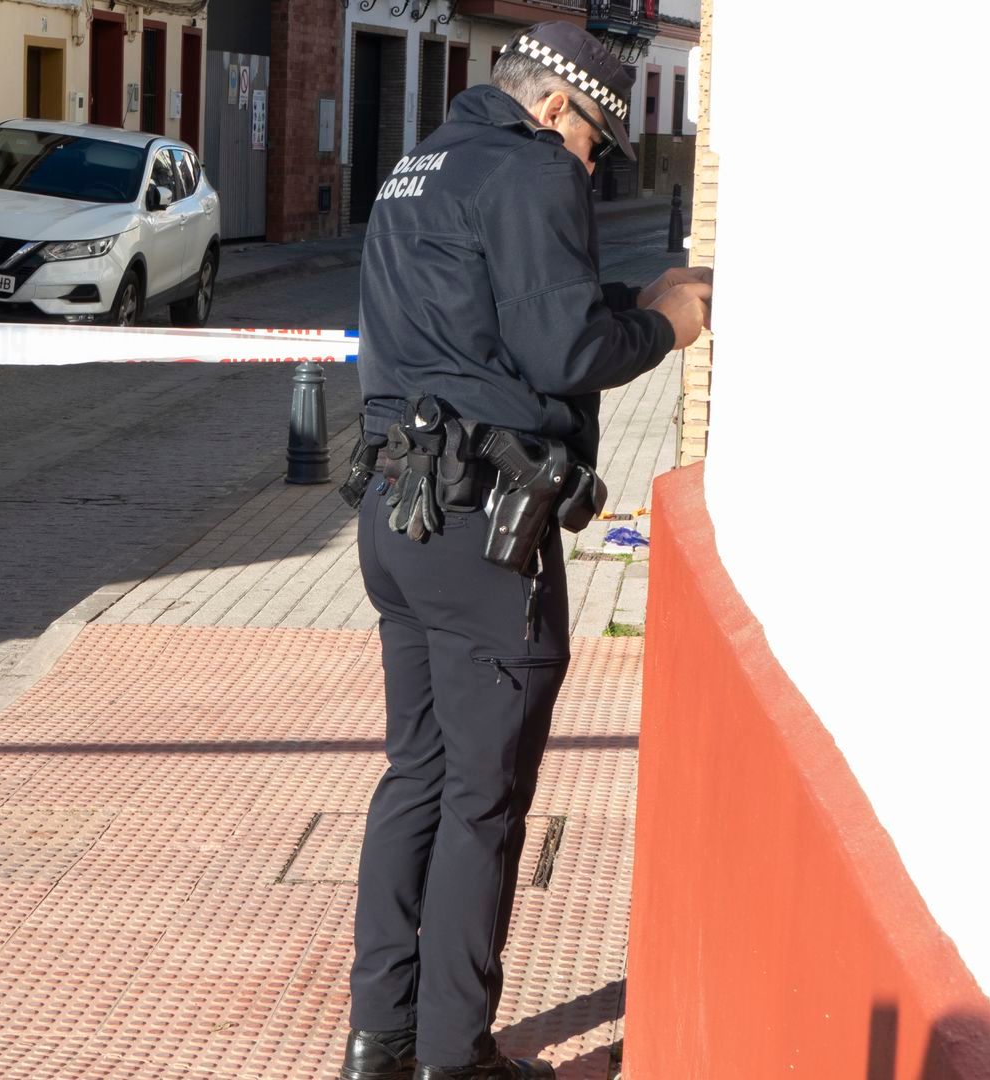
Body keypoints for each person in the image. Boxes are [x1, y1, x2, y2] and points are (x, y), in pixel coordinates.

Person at [339, 22, 712, 1080]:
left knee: (414, 776)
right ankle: (455, 1059)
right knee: (482, 800)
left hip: (397, 516)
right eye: (597, 138)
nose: (593, 162)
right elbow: (563, 352)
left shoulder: (419, 167)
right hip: (482, 533)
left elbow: (484, 322)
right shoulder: (535, 173)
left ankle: (381, 1042)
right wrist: (668, 324)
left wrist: (615, 304)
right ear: (555, 107)